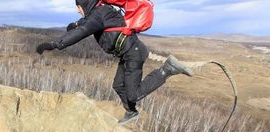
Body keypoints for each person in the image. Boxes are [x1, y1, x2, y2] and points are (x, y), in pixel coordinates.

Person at [36, 0, 194, 124]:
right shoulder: (99, 12)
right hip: (127, 54)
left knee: (134, 95)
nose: (77, 9)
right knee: (118, 85)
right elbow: (84, 24)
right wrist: (75, 24)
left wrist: (54, 44)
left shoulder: (99, 14)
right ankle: (131, 112)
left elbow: (83, 31)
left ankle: (167, 69)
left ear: (85, 3)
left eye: (78, 5)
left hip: (134, 54)